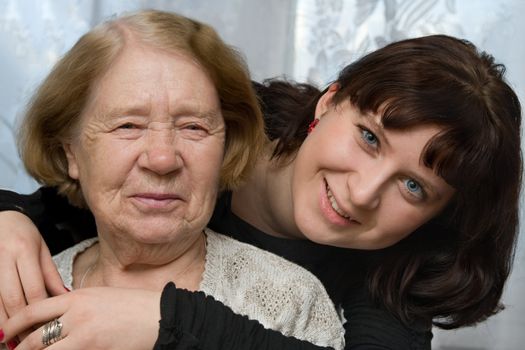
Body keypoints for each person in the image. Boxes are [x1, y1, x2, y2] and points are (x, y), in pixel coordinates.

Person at [0, 33, 522, 350]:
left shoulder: (396, 275)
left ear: (436, 217)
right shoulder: (210, 126)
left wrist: (169, 322)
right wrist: (9, 217)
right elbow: (70, 196)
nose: (363, 193)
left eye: (413, 187)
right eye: (369, 138)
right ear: (329, 102)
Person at [0, 10, 346, 350]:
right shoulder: (14, 290)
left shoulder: (291, 302)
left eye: (193, 127)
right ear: (70, 154)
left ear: (225, 146)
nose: (163, 159)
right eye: (128, 126)